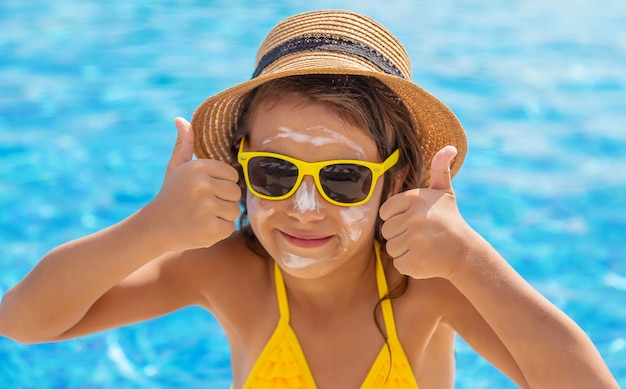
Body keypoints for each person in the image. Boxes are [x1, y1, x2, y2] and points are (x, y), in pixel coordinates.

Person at [0, 9, 618, 389]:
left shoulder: (426, 287)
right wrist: (152, 229)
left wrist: (469, 259)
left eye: (344, 179)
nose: (302, 207)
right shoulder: (226, 271)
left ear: (393, 182)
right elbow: (25, 324)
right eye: (273, 172)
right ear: (238, 170)